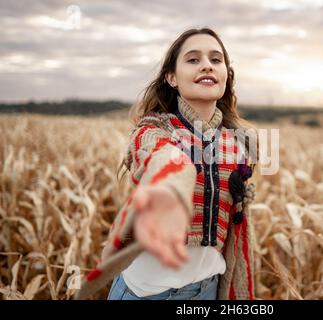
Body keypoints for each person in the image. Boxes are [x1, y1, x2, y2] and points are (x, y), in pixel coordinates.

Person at [75, 27, 258, 300]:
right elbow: (163, 157)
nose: (207, 65)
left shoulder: (237, 145)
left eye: (216, 60)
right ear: (172, 77)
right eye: (193, 59)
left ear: (225, 76)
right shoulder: (152, 132)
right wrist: (171, 185)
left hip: (208, 290)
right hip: (147, 294)